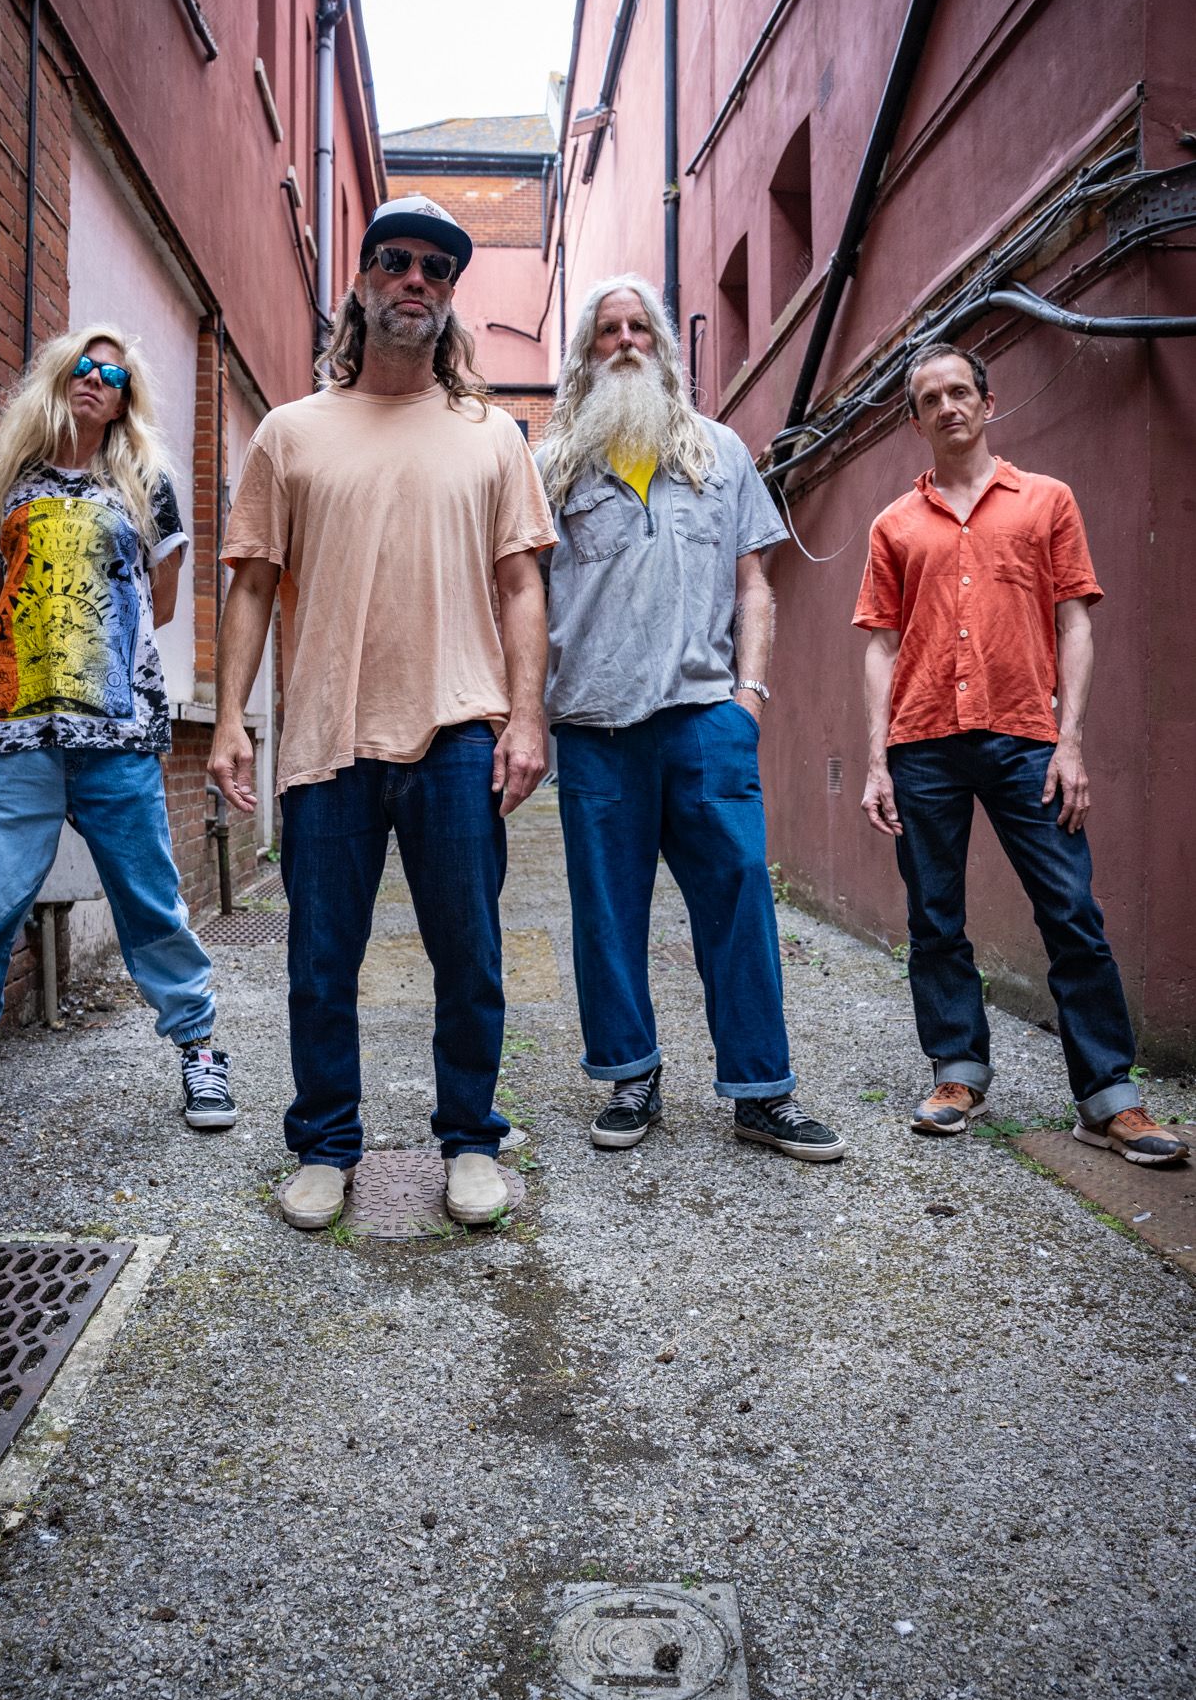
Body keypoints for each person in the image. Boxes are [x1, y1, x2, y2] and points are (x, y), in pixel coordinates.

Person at [209, 195, 556, 1230]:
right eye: (395, 261)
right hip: (327, 739)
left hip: (458, 733)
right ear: (360, 284)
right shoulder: (291, 431)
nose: (415, 279)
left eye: (437, 269)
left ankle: (471, 1139)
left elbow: (522, 586)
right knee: (320, 963)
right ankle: (325, 1146)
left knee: (470, 957)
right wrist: (228, 719)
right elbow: (252, 582)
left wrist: (527, 718)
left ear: (450, 297)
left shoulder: (491, 437)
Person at [0, 327, 237, 1151]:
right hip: (16, 731)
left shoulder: (147, 484)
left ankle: (199, 1049)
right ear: (58, 376)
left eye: (114, 373)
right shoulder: (3, 480)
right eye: (83, 364)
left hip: (118, 731)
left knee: (149, 901)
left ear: (124, 399)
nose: (96, 378)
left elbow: (160, 605)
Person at [855, 341, 1189, 1166]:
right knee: (935, 919)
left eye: (959, 391)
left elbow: (1076, 623)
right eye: (929, 399)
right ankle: (957, 1073)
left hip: (1027, 741)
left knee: (1071, 912)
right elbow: (881, 647)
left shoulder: (1047, 501)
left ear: (987, 402)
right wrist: (876, 761)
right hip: (922, 744)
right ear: (916, 421)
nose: (947, 406)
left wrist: (1070, 742)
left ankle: (1108, 1099)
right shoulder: (894, 525)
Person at [538, 276, 842, 1163]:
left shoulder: (719, 452)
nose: (626, 342)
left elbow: (754, 585)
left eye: (640, 327)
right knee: (606, 913)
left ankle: (762, 1091)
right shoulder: (551, 466)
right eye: (608, 331)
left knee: (740, 899)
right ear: (585, 355)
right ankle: (631, 1076)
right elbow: (517, 598)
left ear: (664, 347)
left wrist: (750, 697)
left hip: (707, 718)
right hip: (595, 727)